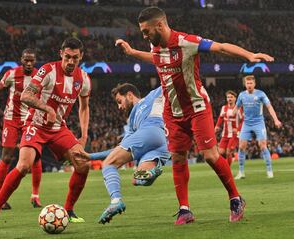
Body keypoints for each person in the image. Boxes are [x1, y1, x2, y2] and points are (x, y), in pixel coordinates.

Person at [115, 6, 274, 224]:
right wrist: (133, 53)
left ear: (160, 25)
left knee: (210, 155)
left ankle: (236, 198)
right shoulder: (155, 45)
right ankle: (184, 209)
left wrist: (248, 55)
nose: (144, 35)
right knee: (179, 157)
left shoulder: (186, 42)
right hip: (172, 111)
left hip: (197, 107)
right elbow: (156, 58)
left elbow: (221, 48)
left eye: (146, 31)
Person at [0, 37, 91, 231]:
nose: (71, 61)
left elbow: (84, 107)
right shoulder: (48, 70)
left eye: (75, 58)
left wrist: (84, 134)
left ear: (81, 57)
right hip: (36, 124)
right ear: (60, 54)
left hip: (58, 128)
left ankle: (69, 210)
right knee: (23, 166)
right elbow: (26, 95)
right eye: (67, 57)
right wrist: (47, 109)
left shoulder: (83, 79)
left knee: (83, 164)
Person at [87, 84, 170, 224]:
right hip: (163, 142)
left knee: (108, 163)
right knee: (138, 178)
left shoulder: (152, 95)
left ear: (130, 95)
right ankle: (152, 172)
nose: (119, 107)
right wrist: (90, 156)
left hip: (151, 130)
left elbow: (168, 81)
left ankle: (116, 200)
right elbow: (118, 150)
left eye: (120, 101)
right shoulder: (131, 123)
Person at [0, 48, 42, 209]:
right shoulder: (12, 74)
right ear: (21, 59)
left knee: (36, 157)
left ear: (35, 61)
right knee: (6, 157)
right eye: (26, 60)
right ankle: (0, 197)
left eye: (31, 60)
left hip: (30, 120)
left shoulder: (40, 76)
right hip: (11, 120)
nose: (28, 63)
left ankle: (35, 196)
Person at [233, 75, 282, 179]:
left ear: (254, 84)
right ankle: (241, 172)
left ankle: (269, 170)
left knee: (262, 145)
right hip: (246, 123)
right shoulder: (241, 95)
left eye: (251, 83)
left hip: (259, 123)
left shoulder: (261, 94)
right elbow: (236, 108)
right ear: (245, 84)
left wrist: (276, 119)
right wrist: (232, 112)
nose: (249, 85)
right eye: (247, 83)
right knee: (241, 146)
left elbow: (269, 106)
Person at [215, 90, 243, 166]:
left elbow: (243, 120)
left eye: (231, 97)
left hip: (235, 134)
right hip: (225, 134)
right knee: (220, 152)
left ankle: (227, 169)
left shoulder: (238, 108)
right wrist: (217, 126)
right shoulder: (224, 108)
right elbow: (220, 118)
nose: (229, 98)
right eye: (228, 97)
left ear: (235, 99)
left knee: (228, 152)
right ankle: (226, 164)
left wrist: (238, 130)